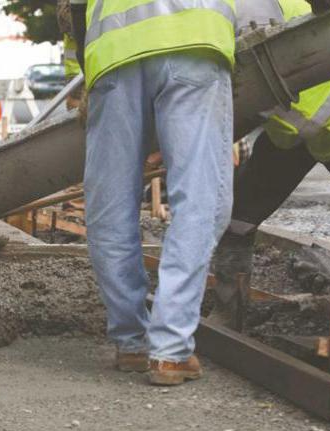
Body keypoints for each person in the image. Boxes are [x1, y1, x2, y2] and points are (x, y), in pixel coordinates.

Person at [69, 0, 236, 385]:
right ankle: (170, 350)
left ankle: (132, 343)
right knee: (199, 198)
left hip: (111, 51)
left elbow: (74, 7)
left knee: (109, 203)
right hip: (195, 37)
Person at [212, 0, 330, 327]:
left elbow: (254, 77)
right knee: (237, 219)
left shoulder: (248, 7)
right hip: (291, 135)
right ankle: (227, 314)